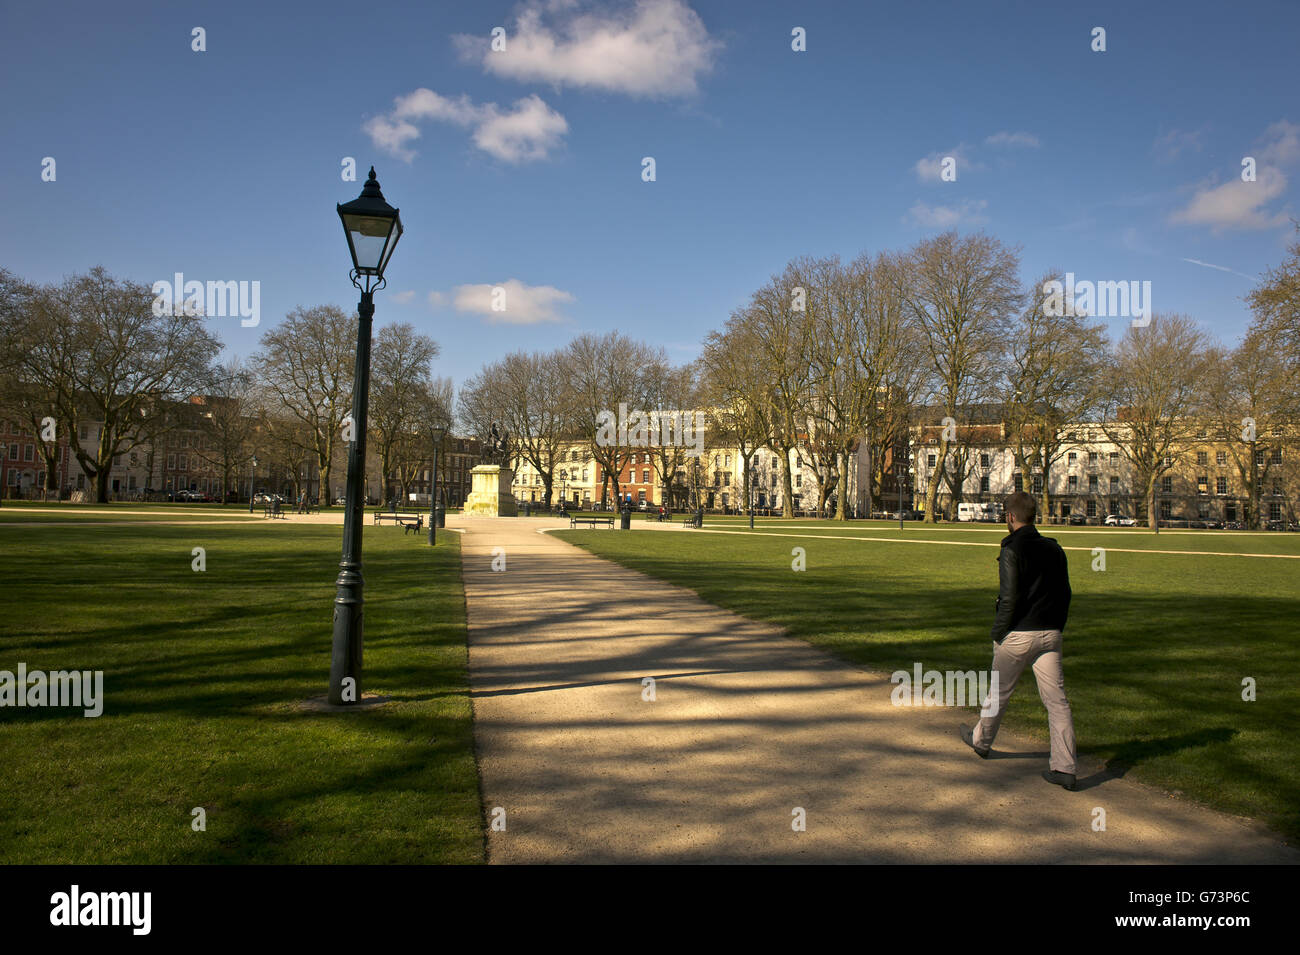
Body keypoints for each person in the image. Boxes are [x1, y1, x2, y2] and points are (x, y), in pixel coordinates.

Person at [960, 491, 1078, 790]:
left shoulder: (1012, 548)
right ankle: (1065, 767)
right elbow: (1066, 594)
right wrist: (1056, 627)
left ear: (1010, 517)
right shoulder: (1054, 548)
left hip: (1018, 634)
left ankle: (981, 741)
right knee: (1057, 702)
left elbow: (1009, 597)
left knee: (998, 693)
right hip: (1050, 633)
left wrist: (998, 632)